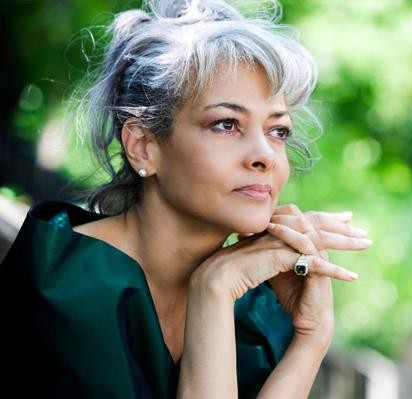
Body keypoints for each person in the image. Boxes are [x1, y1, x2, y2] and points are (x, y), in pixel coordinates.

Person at [0, 0, 371, 398]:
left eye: (278, 131)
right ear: (143, 146)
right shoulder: (63, 284)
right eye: (226, 124)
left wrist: (312, 338)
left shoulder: (256, 310)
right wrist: (213, 290)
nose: (264, 154)